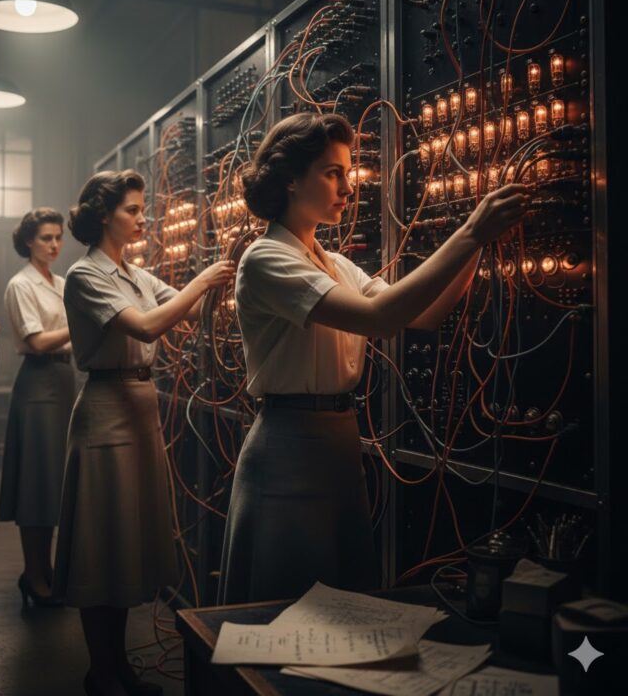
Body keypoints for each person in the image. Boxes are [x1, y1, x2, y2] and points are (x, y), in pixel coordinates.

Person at [218, 112, 530, 604]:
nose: (348, 185)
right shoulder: (265, 258)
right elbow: (380, 318)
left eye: (348, 172)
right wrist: (470, 231)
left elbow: (423, 314)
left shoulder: (334, 262)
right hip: (288, 446)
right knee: (288, 601)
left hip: (340, 441)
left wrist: (478, 244)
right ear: (291, 181)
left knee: (340, 597)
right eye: (332, 172)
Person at [53, 170, 235, 696]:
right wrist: (203, 280)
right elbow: (148, 326)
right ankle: (101, 671)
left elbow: (192, 307)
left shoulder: (137, 274)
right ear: (104, 213)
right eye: (133, 209)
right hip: (106, 408)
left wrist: (225, 277)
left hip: (139, 405)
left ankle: (118, 667)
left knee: (126, 545)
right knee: (100, 547)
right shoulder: (85, 275)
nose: (143, 217)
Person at [0, 208, 73, 607]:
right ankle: (33, 571)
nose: (55, 244)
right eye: (46, 238)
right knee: (35, 483)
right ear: (28, 241)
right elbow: (39, 342)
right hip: (39, 381)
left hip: (64, 381)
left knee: (53, 484)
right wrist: (82, 325)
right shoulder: (20, 284)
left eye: (58, 236)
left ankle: (46, 570)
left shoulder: (61, 282)